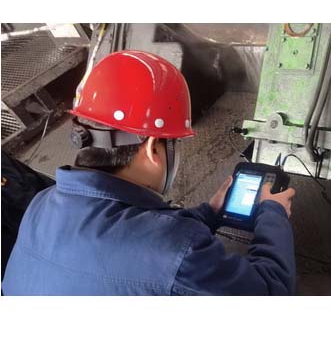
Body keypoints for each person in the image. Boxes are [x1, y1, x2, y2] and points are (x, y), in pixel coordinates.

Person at [2, 50, 296, 295]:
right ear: (153, 147)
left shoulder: (41, 204)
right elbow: (270, 289)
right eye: (174, 143)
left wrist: (208, 213)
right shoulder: (175, 249)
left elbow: (132, 242)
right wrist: (273, 214)